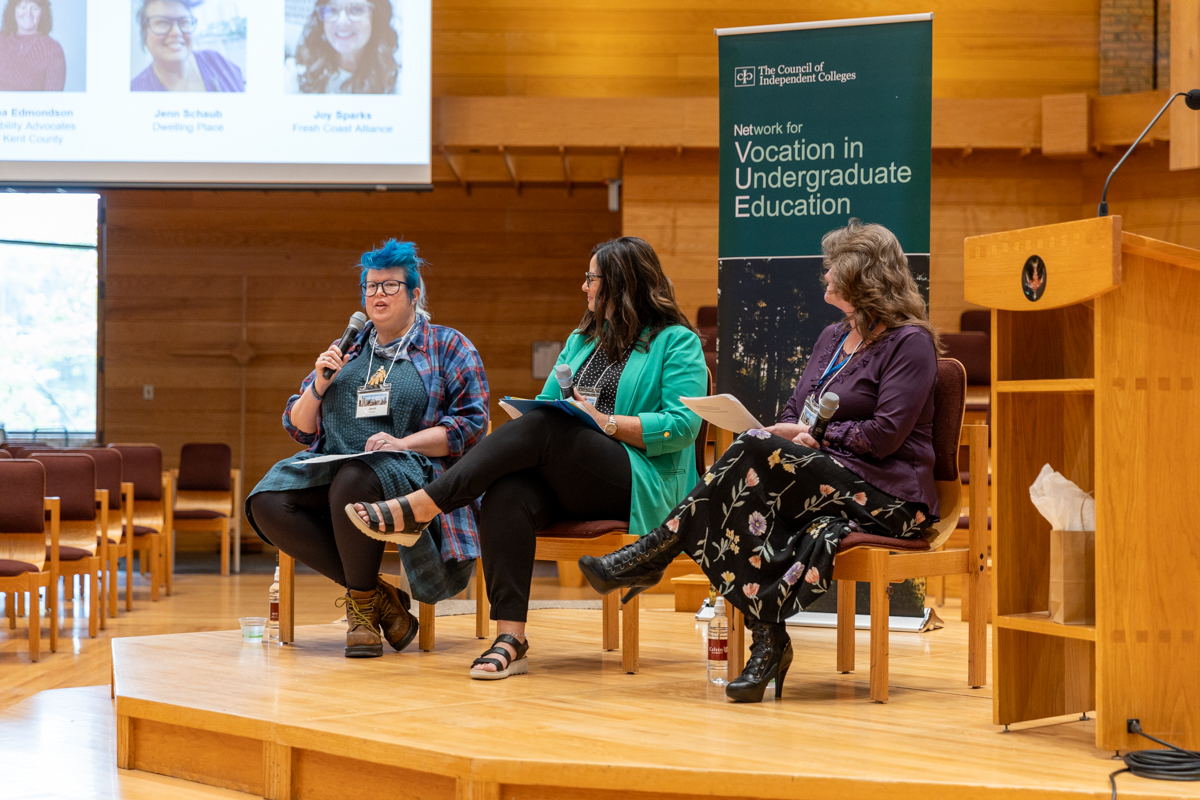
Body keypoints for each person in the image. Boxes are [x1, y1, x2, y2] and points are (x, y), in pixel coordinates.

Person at [578, 219, 940, 703]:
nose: (825, 275)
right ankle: (767, 643)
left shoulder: (908, 342)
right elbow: (796, 410)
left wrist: (815, 437)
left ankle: (657, 551)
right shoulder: (833, 338)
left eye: (834, 267)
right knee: (748, 485)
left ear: (862, 276)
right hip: (822, 477)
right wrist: (789, 432)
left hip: (887, 493)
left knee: (748, 455)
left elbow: (886, 436)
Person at [347, 237, 707, 680]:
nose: (584, 287)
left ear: (620, 283)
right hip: (575, 477)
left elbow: (682, 426)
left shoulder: (677, 342)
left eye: (591, 278)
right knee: (508, 489)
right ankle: (511, 637)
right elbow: (549, 407)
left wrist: (605, 422)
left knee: (545, 428)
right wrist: (538, 414)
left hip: (640, 480)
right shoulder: (582, 340)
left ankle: (423, 506)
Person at [246, 239, 489, 659]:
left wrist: (402, 443)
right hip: (332, 466)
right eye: (370, 286)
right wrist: (320, 384)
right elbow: (298, 426)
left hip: (412, 473)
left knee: (354, 479)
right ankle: (377, 597)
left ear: (415, 294)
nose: (377, 294)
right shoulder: (348, 349)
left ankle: (360, 616)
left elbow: (471, 425)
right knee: (265, 500)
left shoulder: (448, 346)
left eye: (390, 285)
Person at [130, 0, 245, 92]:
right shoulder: (135, 90)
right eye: (162, 23)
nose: (176, 32)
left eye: (184, 22)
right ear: (144, 33)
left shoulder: (218, 62)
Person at [288, 0, 398, 94]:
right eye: (331, 10)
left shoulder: (397, 82)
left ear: (375, 18)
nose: (342, 22)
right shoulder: (295, 75)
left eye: (356, 9)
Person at [0, 0, 65, 91]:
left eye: (35, 8)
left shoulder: (53, 50)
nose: (28, 13)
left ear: (42, 12)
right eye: (23, 6)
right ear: (13, 9)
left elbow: (52, 101)